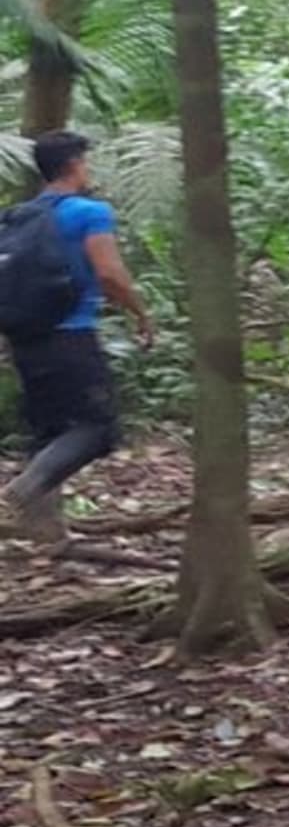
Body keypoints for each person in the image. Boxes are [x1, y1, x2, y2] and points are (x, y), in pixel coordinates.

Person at [3, 131, 154, 543]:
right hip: (71, 336)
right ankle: (27, 487)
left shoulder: (19, 216)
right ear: (73, 164)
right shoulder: (89, 212)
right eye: (86, 162)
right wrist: (140, 312)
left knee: (49, 431)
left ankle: (45, 530)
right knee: (98, 427)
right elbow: (108, 272)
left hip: (27, 338)